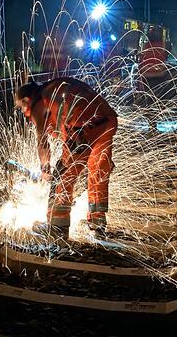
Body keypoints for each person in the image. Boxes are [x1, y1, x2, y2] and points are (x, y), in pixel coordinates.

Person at [15, 77, 118, 240]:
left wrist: (45, 168)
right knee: (98, 172)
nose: (24, 114)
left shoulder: (38, 103)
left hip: (83, 125)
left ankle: (57, 230)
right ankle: (98, 224)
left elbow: (42, 141)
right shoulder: (54, 89)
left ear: (27, 100)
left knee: (62, 177)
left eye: (21, 108)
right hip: (107, 120)